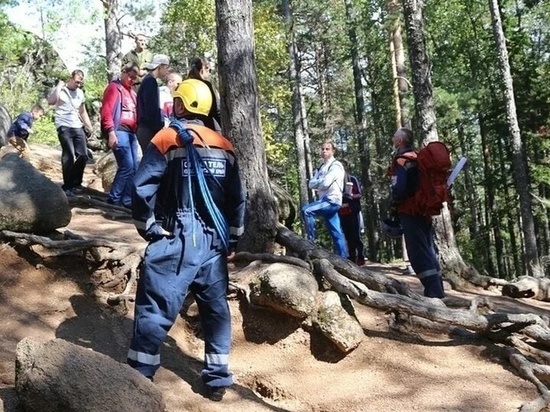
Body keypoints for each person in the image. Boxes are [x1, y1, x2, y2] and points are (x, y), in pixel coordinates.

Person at [127, 78, 246, 401]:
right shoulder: (224, 144)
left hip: (177, 236)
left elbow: (141, 188)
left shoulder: (166, 138)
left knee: (156, 306)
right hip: (213, 241)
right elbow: (237, 199)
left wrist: (150, 228)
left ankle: (139, 377)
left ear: (180, 106)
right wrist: (232, 241)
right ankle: (217, 379)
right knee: (215, 309)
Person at [389, 127, 445, 298]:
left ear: (400, 141)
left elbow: (401, 187)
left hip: (410, 210)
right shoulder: (416, 157)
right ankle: (438, 290)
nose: (393, 139)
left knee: (418, 253)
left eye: (394, 136)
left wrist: (394, 202)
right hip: (423, 209)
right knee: (427, 249)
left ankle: (434, 294)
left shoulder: (401, 160)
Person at [47, 69, 93, 197]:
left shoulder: (80, 93)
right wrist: (58, 87)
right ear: (71, 78)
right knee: (69, 155)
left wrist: (89, 126)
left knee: (83, 155)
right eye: (77, 82)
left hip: (77, 126)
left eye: (80, 83)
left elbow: (82, 111)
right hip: (64, 125)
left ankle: (76, 183)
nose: (78, 84)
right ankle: (67, 186)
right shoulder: (61, 90)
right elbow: (51, 101)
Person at [100, 62, 140, 208]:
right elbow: (106, 111)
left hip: (131, 133)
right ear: (123, 73)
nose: (132, 80)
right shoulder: (113, 88)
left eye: (134, 78)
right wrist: (111, 132)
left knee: (134, 167)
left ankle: (127, 200)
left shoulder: (131, 92)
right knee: (127, 165)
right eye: (130, 76)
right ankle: (113, 199)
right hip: (119, 131)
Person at [301, 141, 347, 257]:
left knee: (306, 210)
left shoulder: (336, 165)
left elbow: (326, 183)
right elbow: (311, 184)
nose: (324, 151)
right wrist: (320, 182)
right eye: (322, 149)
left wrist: (319, 183)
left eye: (327, 149)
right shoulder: (321, 167)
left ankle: (311, 242)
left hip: (331, 200)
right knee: (336, 231)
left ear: (333, 151)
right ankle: (344, 258)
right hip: (325, 200)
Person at [136, 54, 170, 153]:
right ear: (160, 67)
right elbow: (151, 108)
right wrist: (159, 126)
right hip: (147, 129)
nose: (167, 71)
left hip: (146, 128)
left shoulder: (148, 81)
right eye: (166, 67)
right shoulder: (150, 82)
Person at [339, 162, 366, 266]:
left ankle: (360, 256)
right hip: (342, 211)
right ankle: (351, 257)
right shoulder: (336, 181)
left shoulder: (352, 179)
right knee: (347, 235)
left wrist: (351, 195)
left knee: (355, 235)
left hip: (353, 211)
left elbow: (360, 194)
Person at [187, 57, 221, 131]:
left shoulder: (184, 85)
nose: (209, 73)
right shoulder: (207, 86)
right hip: (207, 127)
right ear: (204, 68)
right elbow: (216, 110)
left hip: (187, 127)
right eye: (209, 70)